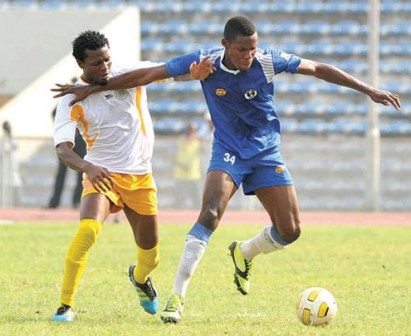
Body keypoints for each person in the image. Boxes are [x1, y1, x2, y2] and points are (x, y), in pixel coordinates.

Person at [51, 16, 401, 324]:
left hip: (259, 153)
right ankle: (169, 299)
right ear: (225, 45)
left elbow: (318, 68)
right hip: (218, 153)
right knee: (208, 212)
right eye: (242, 50)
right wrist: (90, 93)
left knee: (290, 230)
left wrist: (367, 89)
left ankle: (242, 253)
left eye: (253, 49)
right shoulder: (205, 63)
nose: (249, 56)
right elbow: (146, 77)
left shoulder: (267, 62)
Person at [50, 30, 213, 323]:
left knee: (151, 258)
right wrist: (88, 167)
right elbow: (63, 150)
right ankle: (65, 305)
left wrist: (196, 72)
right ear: (79, 64)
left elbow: (173, 69)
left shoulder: (130, 73)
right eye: (96, 63)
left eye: (107, 59)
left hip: (140, 177)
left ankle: (139, 279)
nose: (105, 67)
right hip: (102, 176)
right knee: (87, 231)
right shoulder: (70, 98)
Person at [48, 103, 87, 209]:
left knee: (81, 173)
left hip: (81, 142)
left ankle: (76, 201)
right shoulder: (66, 100)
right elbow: (54, 113)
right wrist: (64, 128)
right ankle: (55, 202)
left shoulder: (85, 102)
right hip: (66, 141)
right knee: (61, 173)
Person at [173, 122, 202, 209]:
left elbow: (206, 151)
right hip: (181, 175)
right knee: (179, 200)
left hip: (194, 175)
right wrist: (182, 166)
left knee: (196, 200)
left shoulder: (198, 142)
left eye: (193, 131)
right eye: (189, 130)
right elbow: (171, 155)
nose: (191, 133)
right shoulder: (180, 141)